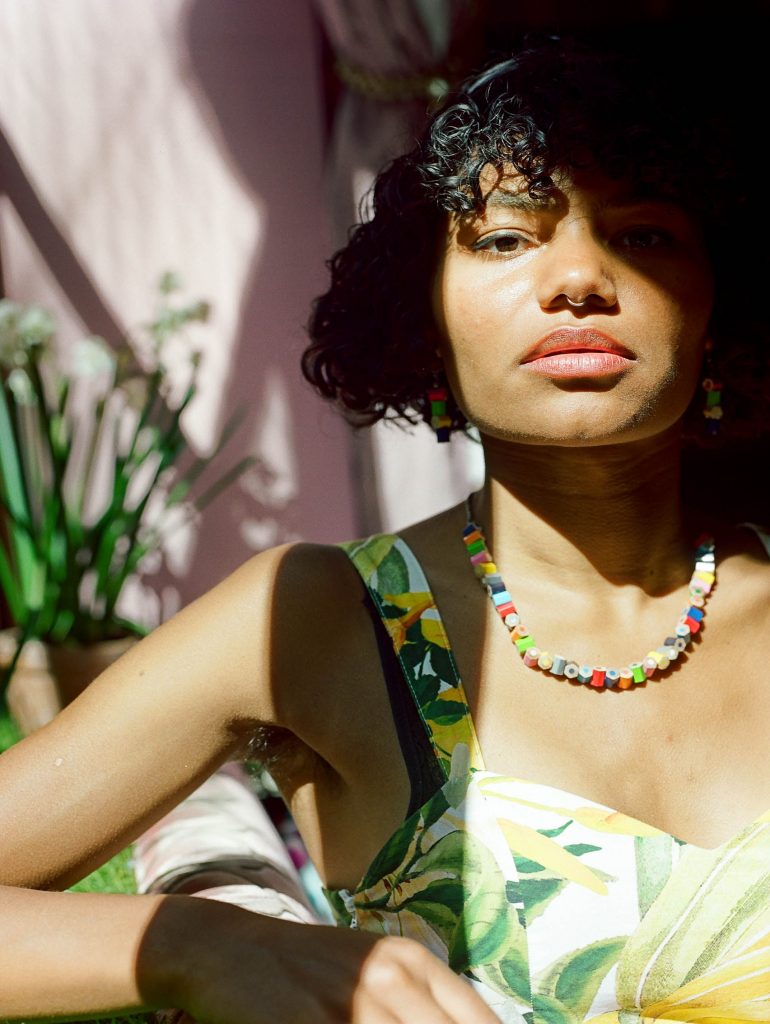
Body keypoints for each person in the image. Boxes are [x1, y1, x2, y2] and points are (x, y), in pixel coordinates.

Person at [1, 30, 769, 1024]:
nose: (576, 277)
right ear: (428, 326)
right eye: (502, 239)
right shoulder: (326, 619)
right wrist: (195, 940)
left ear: (715, 314)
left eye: (643, 235)